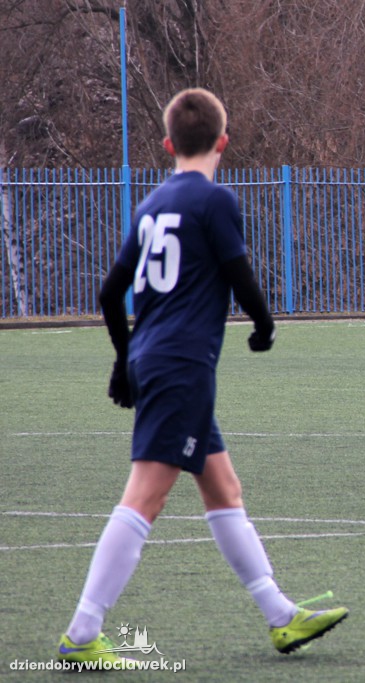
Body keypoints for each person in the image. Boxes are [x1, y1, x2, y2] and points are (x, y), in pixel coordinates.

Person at [56, 88, 347, 669]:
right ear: (223, 141)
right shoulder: (214, 200)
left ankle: (281, 615)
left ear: (167, 145)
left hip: (157, 360)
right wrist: (264, 326)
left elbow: (110, 294)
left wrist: (124, 360)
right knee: (145, 495)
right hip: (182, 365)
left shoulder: (150, 205)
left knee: (223, 489)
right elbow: (239, 274)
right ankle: (82, 631)